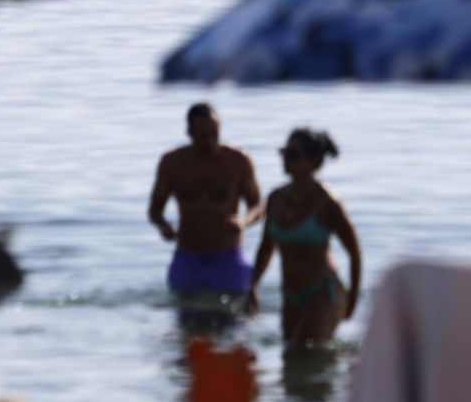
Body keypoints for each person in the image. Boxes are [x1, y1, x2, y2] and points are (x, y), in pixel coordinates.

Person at [246, 128, 362, 349]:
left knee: (307, 353)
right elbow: (266, 247)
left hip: (322, 292)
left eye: (293, 154)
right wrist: (252, 286)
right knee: (291, 360)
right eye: (284, 153)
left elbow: (354, 252)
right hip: (291, 295)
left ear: (314, 162)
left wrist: (352, 301)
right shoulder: (275, 198)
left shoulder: (327, 203)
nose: (286, 159)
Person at [148, 102, 264, 301]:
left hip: (227, 255)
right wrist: (164, 226)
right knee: (185, 321)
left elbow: (258, 206)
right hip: (188, 255)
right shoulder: (172, 163)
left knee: (235, 323)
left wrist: (243, 222)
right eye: (203, 136)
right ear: (189, 132)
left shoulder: (238, 161)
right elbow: (155, 210)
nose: (210, 141)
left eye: (214, 135)